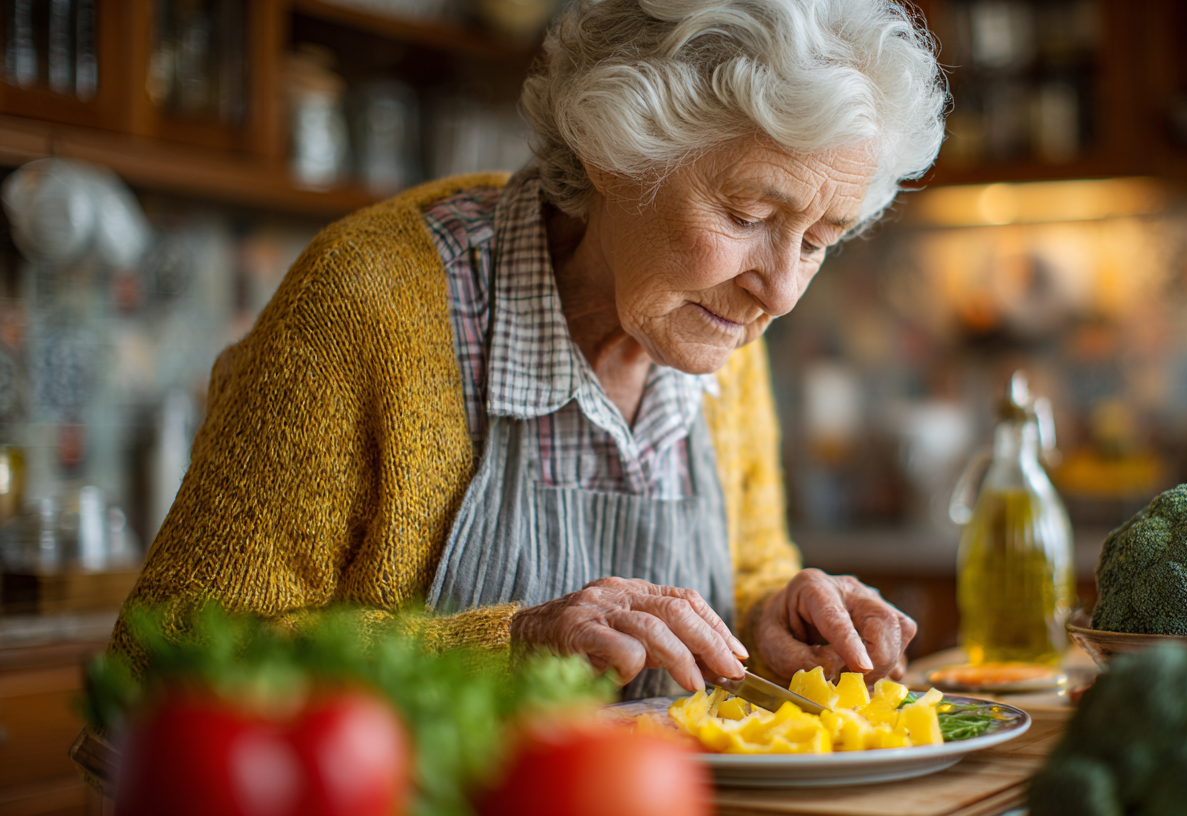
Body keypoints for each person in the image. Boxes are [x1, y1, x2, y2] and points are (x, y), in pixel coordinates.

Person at [114, 0, 946, 699]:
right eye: (748, 216)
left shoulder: (719, 318)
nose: (782, 291)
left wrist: (778, 620)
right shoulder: (370, 297)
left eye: (818, 240)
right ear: (617, 152)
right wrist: (514, 643)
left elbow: (749, 568)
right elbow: (165, 656)